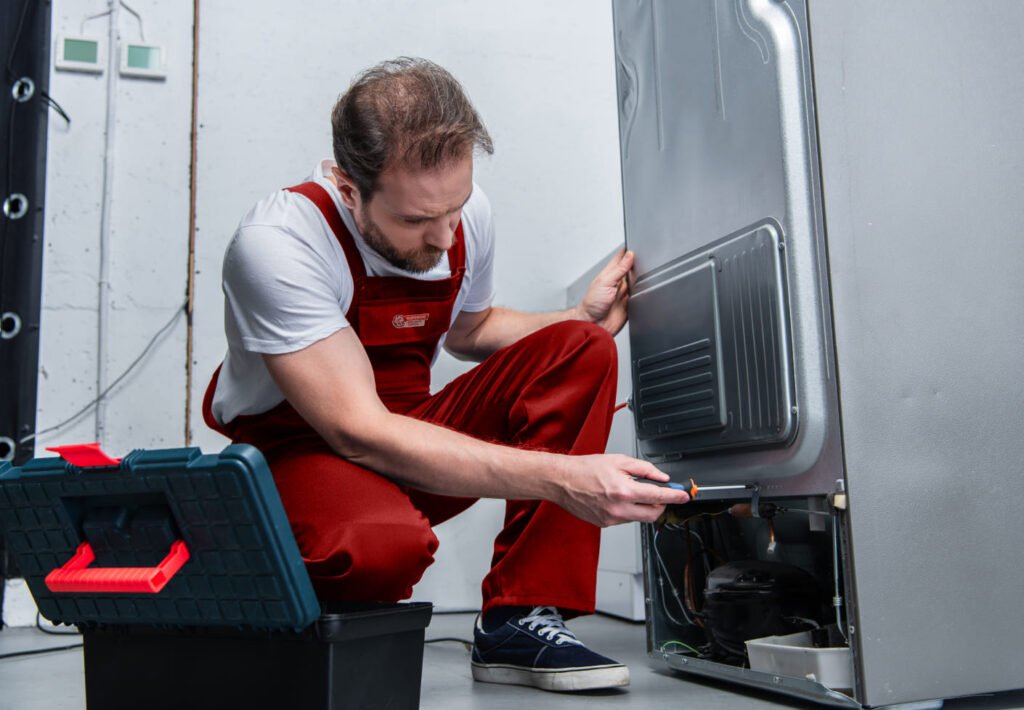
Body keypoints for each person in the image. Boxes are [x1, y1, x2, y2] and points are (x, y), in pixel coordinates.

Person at [203, 57, 689, 692]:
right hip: (304, 452)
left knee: (582, 346)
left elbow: (470, 329)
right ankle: (267, 570)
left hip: (407, 431)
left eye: (455, 208)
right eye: (414, 221)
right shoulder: (278, 244)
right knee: (382, 549)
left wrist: (576, 316)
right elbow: (357, 431)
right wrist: (562, 477)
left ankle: (518, 618)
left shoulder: (459, 214)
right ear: (349, 187)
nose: (443, 235)